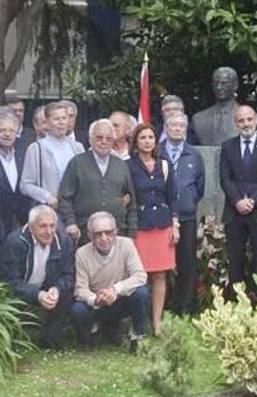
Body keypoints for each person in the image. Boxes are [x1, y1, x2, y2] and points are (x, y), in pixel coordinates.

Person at [219, 105, 257, 296]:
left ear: (256, 120)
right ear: (236, 123)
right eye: (241, 121)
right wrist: (238, 201)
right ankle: (236, 302)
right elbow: (225, 178)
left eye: (249, 119)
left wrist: (253, 201)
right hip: (234, 212)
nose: (246, 124)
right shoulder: (227, 146)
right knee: (235, 259)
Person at [0, 205, 74, 349]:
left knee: (66, 292)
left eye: (52, 226)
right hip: (20, 289)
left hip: (48, 288)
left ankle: (50, 338)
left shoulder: (64, 241)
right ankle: (11, 339)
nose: (49, 231)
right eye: (43, 226)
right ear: (31, 227)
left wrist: (56, 290)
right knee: (5, 293)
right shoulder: (14, 242)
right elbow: (9, 281)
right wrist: (37, 295)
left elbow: (68, 275)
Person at [72, 211, 150, 352]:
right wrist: (96, 299)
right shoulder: (82, 253)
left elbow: (140, 276)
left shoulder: (126, 244)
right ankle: (90, 335)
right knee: (78, 309)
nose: (104, 238)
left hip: (120, 300)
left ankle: (137, 336)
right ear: (90, 236)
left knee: (142, 293)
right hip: (97, 305)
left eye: (108, 232)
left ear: (115, 232)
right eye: (98, 233)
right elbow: (80, 289)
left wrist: (115, 289)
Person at [127, 123, 177, 335]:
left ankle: (157, 322)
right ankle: (137, 322)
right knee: (138, 276)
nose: (147, 141)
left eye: (151, 137)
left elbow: (173, 197)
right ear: (136, 143)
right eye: (143, 138)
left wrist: (175, 225)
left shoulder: (164, 164)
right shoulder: (128, 166)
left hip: (162, 226)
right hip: (140, 226)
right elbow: (125, 193)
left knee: (159, 276)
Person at [59, 119, 137, 245]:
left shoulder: (121, 165)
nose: (104, 142)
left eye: (108, 138)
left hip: (116, 234)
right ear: (90, 139)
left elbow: (131, 202)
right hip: (85, 234)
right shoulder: (77, 163)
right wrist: (70, 223)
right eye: (99, 137)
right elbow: (64, 197)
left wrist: (131, 233)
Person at [159, 112, 205, 315]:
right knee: (161, 264)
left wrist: (188, 202)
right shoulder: (156, 152)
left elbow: (200, 187)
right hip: (161, 218)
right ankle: (164, 305)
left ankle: (185, 305)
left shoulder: (194, 155)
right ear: (166, 128)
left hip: (186, 217)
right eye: (173, 125)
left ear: (186, 130)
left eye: (181, 126)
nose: (178, 128)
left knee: (187, 263)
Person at [20, 102, 85, 209]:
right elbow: (25, 185)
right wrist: (46, 196)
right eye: (56, 119)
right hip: (48, 211)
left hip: (74, 210)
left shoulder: (78, 148)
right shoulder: (36, 149)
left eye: (64, 118)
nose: (61, 123)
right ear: (48, 123)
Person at [0, 108, 30, 239]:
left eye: (11, 131)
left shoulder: (23, 152)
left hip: (20, 217)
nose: (7, 134)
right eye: (2, 130)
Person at [194, 67, 240, 146]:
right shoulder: (199, 118)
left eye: (224, 83)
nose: (219, 87)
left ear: (235, 85)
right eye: (216, 83)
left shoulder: (248, 118)